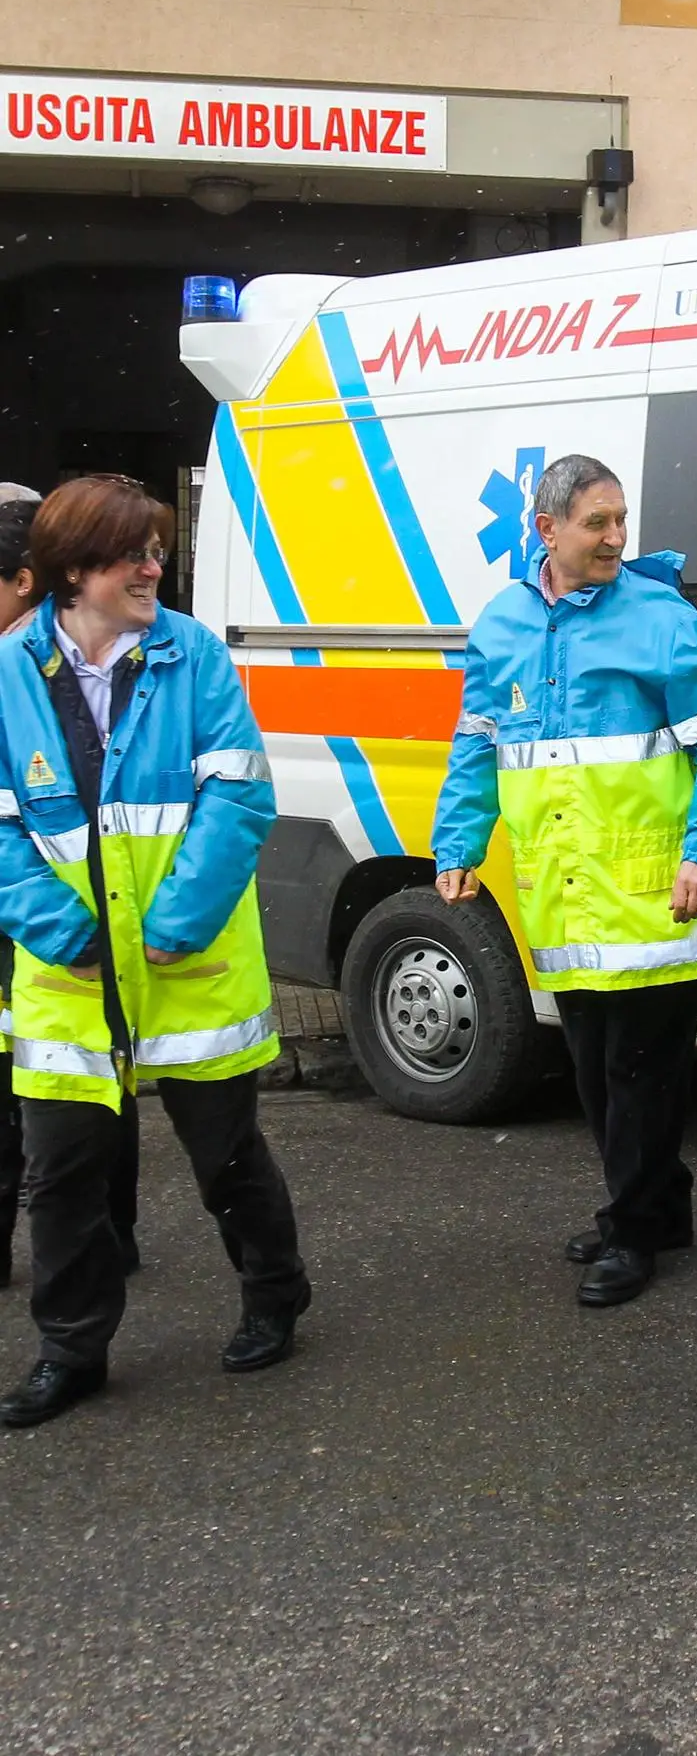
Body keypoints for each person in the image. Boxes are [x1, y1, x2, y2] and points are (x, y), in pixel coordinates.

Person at [0, 475, 308, 1428]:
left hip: (190, 966)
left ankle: (274, 1292)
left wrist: (176, 923)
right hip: (68, 974)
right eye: (133, 553)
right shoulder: (11, 668)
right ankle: (71, 1349)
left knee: (225, 1159)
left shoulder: (196, 657)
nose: (152, 568)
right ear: (72, 568)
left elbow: (241, 795)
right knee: (61, 1179)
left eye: (157, 551)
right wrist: (62, 931)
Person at [432, 455, 697, 1307]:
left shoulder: (661, 619)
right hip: (564, 897)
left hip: (654, 893)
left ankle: (635, 1229)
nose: (616, 537)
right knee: (590, 1069)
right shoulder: (502, 624)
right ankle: (656, 1207)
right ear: (547, 531)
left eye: (621, 521)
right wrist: (457, 842)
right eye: (597, 523)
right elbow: (478, 744)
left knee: (639, 1077)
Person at [0, 492, 142, 1294]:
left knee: (78, 1123)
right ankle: (75, 1326)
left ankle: (108, 1244)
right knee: (58, 1140)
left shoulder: (103, 662)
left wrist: (76, 934)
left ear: (28, 580)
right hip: (54, 936)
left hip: (67, 943)